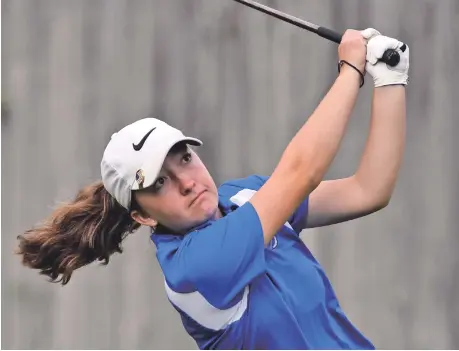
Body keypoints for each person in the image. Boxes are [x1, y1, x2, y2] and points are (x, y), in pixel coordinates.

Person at [17, 28, 409, 349]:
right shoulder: (195, 265)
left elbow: (367, 190)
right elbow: (300, 172)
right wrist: (350, 70)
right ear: (143, 216)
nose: (186, 182)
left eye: (184, 158)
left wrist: (391, 78)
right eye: (159, 183)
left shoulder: (244, 198)